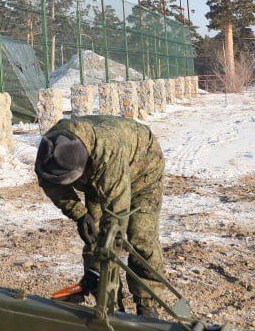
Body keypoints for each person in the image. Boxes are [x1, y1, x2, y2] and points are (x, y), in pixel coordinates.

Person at [34, 115, 166, 316]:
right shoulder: (49, 151)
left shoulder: (107, 151)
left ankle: (147, 303)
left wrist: (100, 264)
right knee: (95, 237)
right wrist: (79, 214)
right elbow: (50, 185)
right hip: (98, 178)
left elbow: (117, 217)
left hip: (143, 169)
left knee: (140, 236)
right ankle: (109, 304)